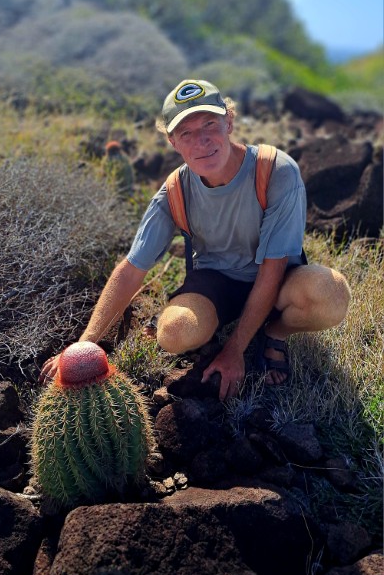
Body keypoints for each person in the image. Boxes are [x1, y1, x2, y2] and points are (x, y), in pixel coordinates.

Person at [40, 79, 351, 401]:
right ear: (173, 142)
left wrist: (235, 351)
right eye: (186, 133)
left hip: (277, 279)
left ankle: (274, 333)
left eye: (209, 124)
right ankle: (208, 320)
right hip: (217, 282)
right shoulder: (174, 192)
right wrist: (86, 341)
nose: (201, 141)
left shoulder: (274, 171)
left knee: (330, 294)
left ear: (229, 122)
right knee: (174, 334)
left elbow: (273, 267)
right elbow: (132, 269)